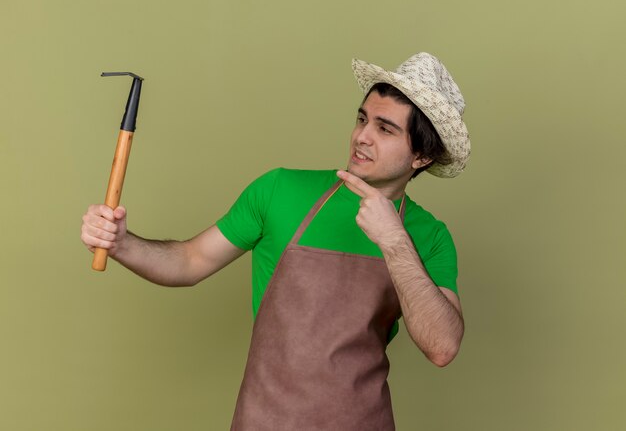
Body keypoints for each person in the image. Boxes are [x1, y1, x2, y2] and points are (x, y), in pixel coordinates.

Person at [81, 52, 470, 430]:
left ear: (421, 156)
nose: (362, 137)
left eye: (385, 129)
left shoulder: (428, 236)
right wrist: (122, 244)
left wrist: (393, 240)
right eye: (361, 119)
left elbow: (442, 347)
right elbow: (190, 260)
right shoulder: (280, 190)